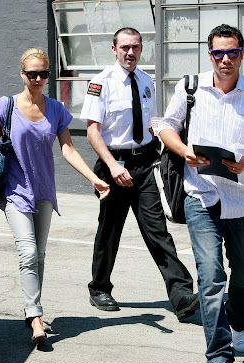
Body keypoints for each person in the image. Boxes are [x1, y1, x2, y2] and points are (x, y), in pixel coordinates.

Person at [80, 27, 199, 321]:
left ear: (141, 49)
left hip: (144, 165)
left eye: (135, 47)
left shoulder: (146, 81)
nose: (130, 53)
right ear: (114, 49)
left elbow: (148, 124)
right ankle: (99, 288)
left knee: (157, 230)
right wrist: (111, 165)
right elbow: (92, 130)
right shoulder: (101, 83)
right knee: (110, 229)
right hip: (114, 164)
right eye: (124, 48)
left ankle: (181, 294)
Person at [0, 48, 110, 345]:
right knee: (28, 252)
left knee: (40, 255)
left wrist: (95, 178)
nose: (37, 78)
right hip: (14, 191)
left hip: (44, 191)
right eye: (31, 73)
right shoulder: (5, 106)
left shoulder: (57, 109)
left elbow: (68, 149)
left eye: (43, 73)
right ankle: (35, 316)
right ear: (22, 74)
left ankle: (32, 309)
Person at [160, 24, 244, 363]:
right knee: (210, 278)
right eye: (218, 53)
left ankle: (239, 324)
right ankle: (219, 357)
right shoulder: (190, 87)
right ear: (209, 54)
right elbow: (164, 125)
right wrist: (184, 151)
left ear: (242, 53)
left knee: (241, 275)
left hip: (241, 201)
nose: (225, 59)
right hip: (202, 196)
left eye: (232, 52)